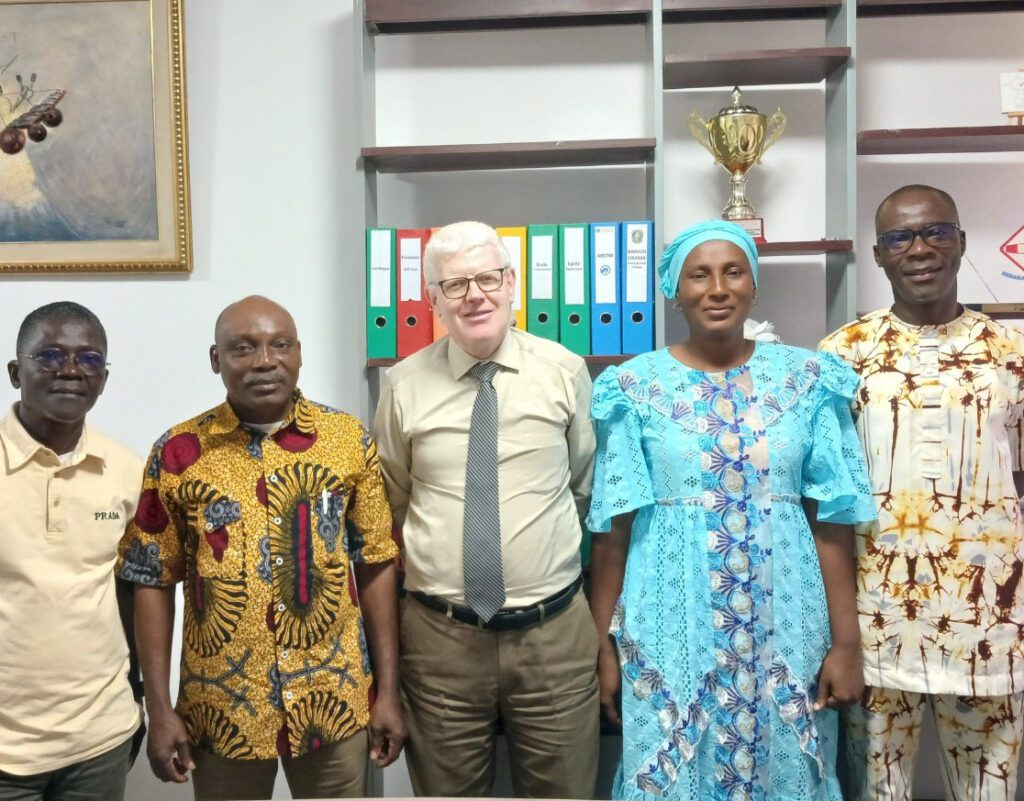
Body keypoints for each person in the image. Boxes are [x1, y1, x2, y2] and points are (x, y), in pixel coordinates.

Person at [587, 220, 877, 801]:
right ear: (675, 291)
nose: (717, 288)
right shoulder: (632, 388)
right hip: (668, 623)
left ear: (754, 286)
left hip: (790, 625)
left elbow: (833, 521)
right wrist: (600, 645)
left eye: (733, 271)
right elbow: (612, 532)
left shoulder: (809, 381)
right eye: (699, 275)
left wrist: (846, 643)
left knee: (791, 765)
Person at [116, 295, 404, 801]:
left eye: (280, 345)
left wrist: (388, 691)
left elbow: (376, 564)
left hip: (333, 701)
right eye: (243, 348)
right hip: (221, 712)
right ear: (216, 360)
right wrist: (158, 708)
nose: (265, 361)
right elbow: (152, 580)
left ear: (298, 354)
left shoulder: (348, 440)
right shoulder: (178, 453)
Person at [373, 220, 600, 798]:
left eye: (488, 278)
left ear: (513, 285)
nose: (475, 295)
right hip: (440, 643)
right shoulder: (401, 386)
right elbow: (394, 502)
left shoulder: (565, 372)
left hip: (553, 636)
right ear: (432, 301)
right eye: (454, 285)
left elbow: (583, 489)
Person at [820, 185, 1024, 801]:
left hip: (988, 625)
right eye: (899, 238)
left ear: (960, 241)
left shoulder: (1010, 352)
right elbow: (825, 502)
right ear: (878, 256)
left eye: (936, 232)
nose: (919, 249)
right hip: (876, 625)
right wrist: (839, 637)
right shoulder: (842, 355)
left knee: (989, 791)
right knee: (879, 793)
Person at [0, 302, 143, 801]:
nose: (69, 370)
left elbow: (131, 593)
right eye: (51, 355)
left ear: (103, 379)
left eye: (89, 360)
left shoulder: (125, 471)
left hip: (97, 740)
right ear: (17, 372)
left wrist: (140, 693)